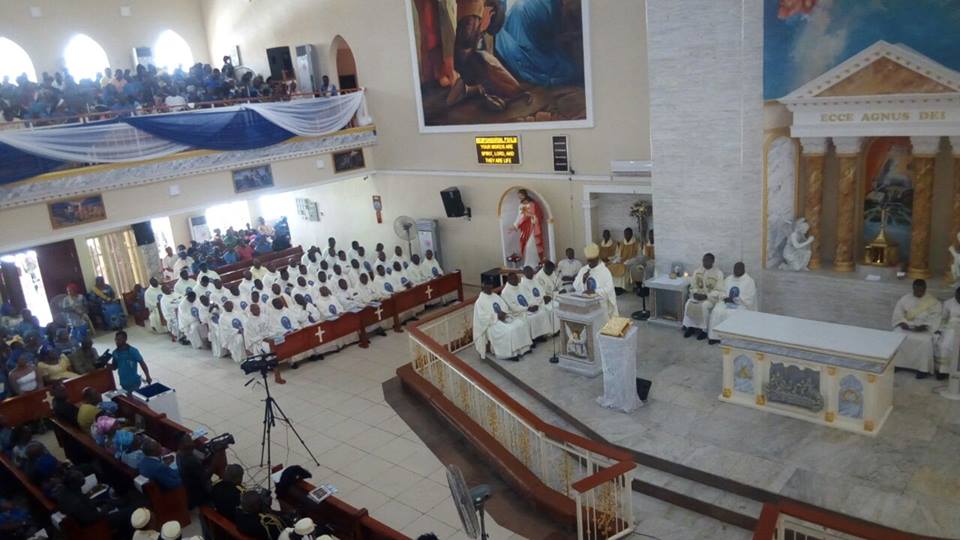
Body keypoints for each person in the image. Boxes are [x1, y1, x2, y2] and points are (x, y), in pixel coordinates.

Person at [893, 279, 942, 379]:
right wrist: (902, 323)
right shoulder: (905, 299)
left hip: (924, 329)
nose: (918, 292)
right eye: (916, 290)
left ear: (925, 289)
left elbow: (936, 317)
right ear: (913, 288)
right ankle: (897, 364)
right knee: (896, 336)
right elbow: (898, 313)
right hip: (907, 325)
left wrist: (925, 326)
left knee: (925, 342)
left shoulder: (933, 302)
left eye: (921, 290)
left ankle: (922, 369)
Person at [473, 281, 533, 361]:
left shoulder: (495, 296)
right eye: (487, 286)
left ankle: (524, 349)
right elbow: (482, 319)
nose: (489, 287)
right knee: (509, 330)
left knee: (520, 324)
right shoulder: (479, 302)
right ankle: (509, 354)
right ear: (483, 286)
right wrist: (496, 316)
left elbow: (504, 306)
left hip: (503, 318)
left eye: (490, 285)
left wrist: (503, 313)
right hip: (492, 324)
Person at [707, 262, 757, 345]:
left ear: (743, 269)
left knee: (732, 314)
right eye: (735, 269)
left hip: (741, 304)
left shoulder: (749, 281)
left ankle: (733, 339)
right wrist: (725, 297)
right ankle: (715, 337)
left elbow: (749, 299)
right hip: (726, 302)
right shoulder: (729, 279)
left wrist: (735, 299)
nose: (736, 271)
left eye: (738, 269)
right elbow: (722, 291)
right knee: (717, 311)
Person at [682, 253, 724, 341]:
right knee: (688, 304)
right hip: (698, 296)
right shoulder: (697, 271)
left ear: (713, 261)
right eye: (704, 260)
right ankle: (690, 327)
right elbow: (692, 286)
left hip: (710, 298)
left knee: (704, 306)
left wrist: (707, 296)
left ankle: (704, 330)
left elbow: (719, 290)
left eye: (707, 260)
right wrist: (695, 293)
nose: (705, 262)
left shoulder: (718, 273)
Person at [502, 272, 553, 341]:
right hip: (519, 313)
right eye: (514, 279)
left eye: (516, 278)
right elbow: (513, 307)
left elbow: (530, 297)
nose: (516, 280)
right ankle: (533, 339)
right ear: (509, 280)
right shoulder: (505, 292)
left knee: (542, 313)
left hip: (529, 308)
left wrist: (534, 305)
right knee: (529, 319)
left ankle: (541, 335)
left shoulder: (520, 286)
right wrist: (527, 308)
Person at [573, 244, 618, 321]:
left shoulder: (604, 271)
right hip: (586, 305)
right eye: (589, 261)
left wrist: (595, 291)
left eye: (592, 260)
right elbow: (575, 286)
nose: (590, 263)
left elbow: (609, 289)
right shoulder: (583, 270)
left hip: (601, 305)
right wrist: (583, 280)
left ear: (597, 258)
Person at [176, 432, 211, 509]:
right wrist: (212, 466)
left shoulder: (179, 453)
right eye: (189, 441)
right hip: (197, 491)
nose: (192, 443)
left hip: (189, 484)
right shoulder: (191, 460)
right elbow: (204, 477)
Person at [512, 189, 545, 268]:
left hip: (532, 226)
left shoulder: (532, 204)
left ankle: (535, 263)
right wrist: (515, 225)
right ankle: (527, 263)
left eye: (520, 195)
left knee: (531, 245)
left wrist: (529, 215)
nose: (519, 197)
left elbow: (537, 214)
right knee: (526, 245)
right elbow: (519, 216)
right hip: (524, 227)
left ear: (524, 195)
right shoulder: (521, 205)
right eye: (518, 195)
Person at [936, 287, 960, 378]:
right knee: (945, 346)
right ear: (955, 295)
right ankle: (943, 371)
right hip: (951, 329)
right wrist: (940, 329)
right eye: (958, 297)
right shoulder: (948, 303)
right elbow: (943, 319)